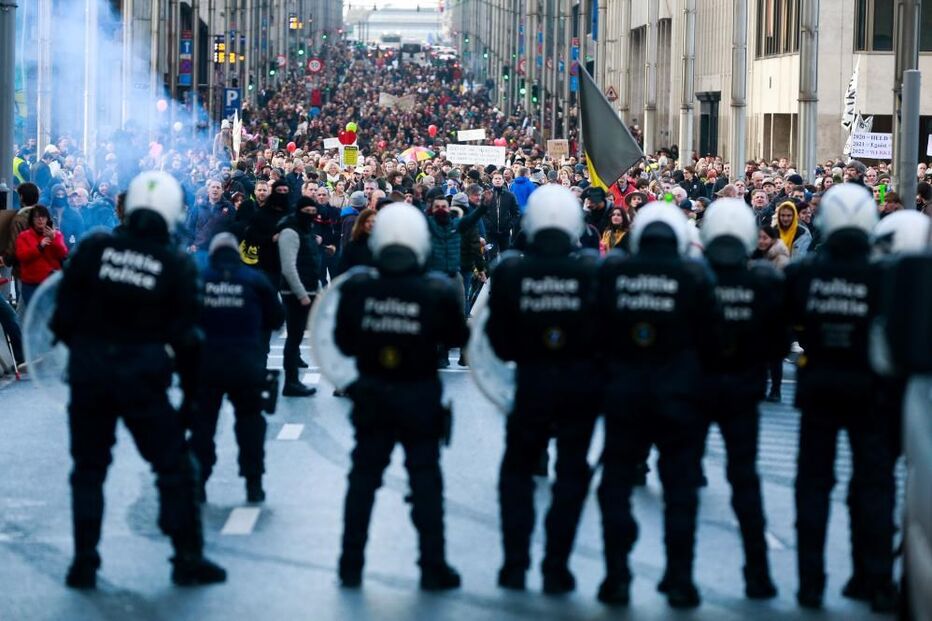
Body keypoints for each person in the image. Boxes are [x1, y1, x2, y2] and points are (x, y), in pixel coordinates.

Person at [49, 171, 225, 589]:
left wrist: (88, 351)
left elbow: (59, 317)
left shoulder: (94, 248)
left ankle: (84, 563)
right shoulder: (174, 262)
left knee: (88, 470)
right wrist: (190, 401)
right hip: (142, 378)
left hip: (89, 375)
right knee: (174, 467)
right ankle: (186, 558)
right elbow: (188, 339)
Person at [334, 202, 467, 591]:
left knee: (363, 480)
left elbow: (341, 340)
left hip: (373, 393)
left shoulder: (360, 287)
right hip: (419, 395)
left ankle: (350, 563)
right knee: (425, 481)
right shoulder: (435, 290)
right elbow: (459, 339)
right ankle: (432, 565)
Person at [594, 203, 720, 608]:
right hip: (679, 396)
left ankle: (616, 577)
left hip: (625, 394)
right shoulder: (695, 275)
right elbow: (714, 339)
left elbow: (594, 329)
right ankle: (680, 579)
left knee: (615, 486)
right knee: (680, 490)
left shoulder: (615, 272)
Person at [785, 183, 897, 612]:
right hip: (871, 389)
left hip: (818, 386)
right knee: (874, 483)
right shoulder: (884, 274)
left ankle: (810, 583)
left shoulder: (803, 274)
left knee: (813, 483)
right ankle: (876, 578)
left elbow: (784, 324)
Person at [485, 185, 601, 594]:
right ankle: (557, 567)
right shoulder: (591, 271)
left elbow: (497, 342)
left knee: (516, 470)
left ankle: (514, 565)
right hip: (579, 386)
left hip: (531, 383)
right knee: (572, 471)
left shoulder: (511, 271)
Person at [697, 199, 787, 599]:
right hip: (743, 391)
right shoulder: (764, 282)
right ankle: (759, 574)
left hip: (697, 389)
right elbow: (780, 342)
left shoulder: (693, 279)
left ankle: (680, 576)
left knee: (683, 482)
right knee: (745, 482)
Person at [189, 233, 285, 504]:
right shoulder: (254, 279)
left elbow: (181, 319)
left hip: (207, 363)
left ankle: (199, 482)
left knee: (203, 425)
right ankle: (253, 482)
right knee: (250, 423)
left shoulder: (199, 279)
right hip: (246, 362)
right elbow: (278, 318)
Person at [277, 196, 321, 397]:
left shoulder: (305, 230)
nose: (311, 215)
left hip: (308, 289)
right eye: (308, 211)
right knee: (293, 338)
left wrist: (316, 289)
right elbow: (288, 267)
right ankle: (291, 382)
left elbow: (310, 261)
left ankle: (293, 381)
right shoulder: (290, 231)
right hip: (294, 292)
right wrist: (302, 293)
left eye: (314, 211)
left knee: (297, 336)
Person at [15, 205, 68, 308]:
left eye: (43, 217)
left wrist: (54, 240)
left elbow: (63, 253)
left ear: (47, 219)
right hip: (30, 284)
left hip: (50, 283)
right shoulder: (24, 236)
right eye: (36, 217)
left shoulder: (56, 235)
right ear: (32, 220)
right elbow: (21, 256)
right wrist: (39, 247)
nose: (40, 220)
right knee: (33, 312)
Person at [336, 208, 376, 274]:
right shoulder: (352, 246)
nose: (371, 225)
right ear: (361, 224)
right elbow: (342, 270)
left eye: (373, 221)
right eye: (367, 221)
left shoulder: (381, 244)